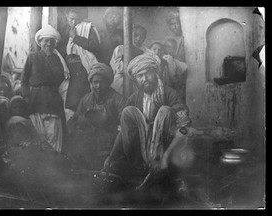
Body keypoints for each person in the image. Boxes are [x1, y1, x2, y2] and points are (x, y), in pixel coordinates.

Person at [103, 54, 192, 189]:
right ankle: (139, 166)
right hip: (142, 152)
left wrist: (168, 155)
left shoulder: (170, 94)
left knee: (165, 111)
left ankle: (159, 164)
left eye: (147, 74)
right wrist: (112, 156)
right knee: (128, 112)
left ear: (155, 73)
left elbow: (184, 128)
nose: (144, 79)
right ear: (135, 80)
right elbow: (124, 131)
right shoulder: (134, 99)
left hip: (168, 149)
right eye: (139, 76)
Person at [66, 62, 126, 165]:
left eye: (102, 82)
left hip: (110, 144)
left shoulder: (118, 100)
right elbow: (75, 119)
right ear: (91, 83)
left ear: (108, 83)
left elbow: (124, 125)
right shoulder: (86, 99)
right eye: (95, 82)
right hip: (90, 143)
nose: (98, 86)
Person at [21, 25, 66, 153]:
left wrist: (50, 57)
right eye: (45, 41)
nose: (48, 44)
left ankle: (54, 165)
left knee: (53, 136)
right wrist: (27, 97)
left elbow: (59, 77)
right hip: (35, 100)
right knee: (38, 136)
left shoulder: (56, 58)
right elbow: (24, 80)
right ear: (40, 42)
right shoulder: (32, 57)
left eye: (51, 41)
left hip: (52, 100)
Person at [57, 7, 102, 122]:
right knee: (65, 100)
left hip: (82, 68)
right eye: (71, 19)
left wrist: (76, 38)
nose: (74, 22)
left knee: (79, 101)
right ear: (67, 17)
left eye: (77, 20)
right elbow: (60, 49)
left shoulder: (88, 28)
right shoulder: (64, 31)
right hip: (68, 68)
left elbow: (95, 46)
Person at [110, 24, 152, 95]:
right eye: (136, 35)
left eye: (142, 36)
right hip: (122, 77)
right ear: (130, 35)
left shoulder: (148, 52)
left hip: (141, 77)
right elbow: (118, 68)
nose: (138, 38)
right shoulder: (120, 49)